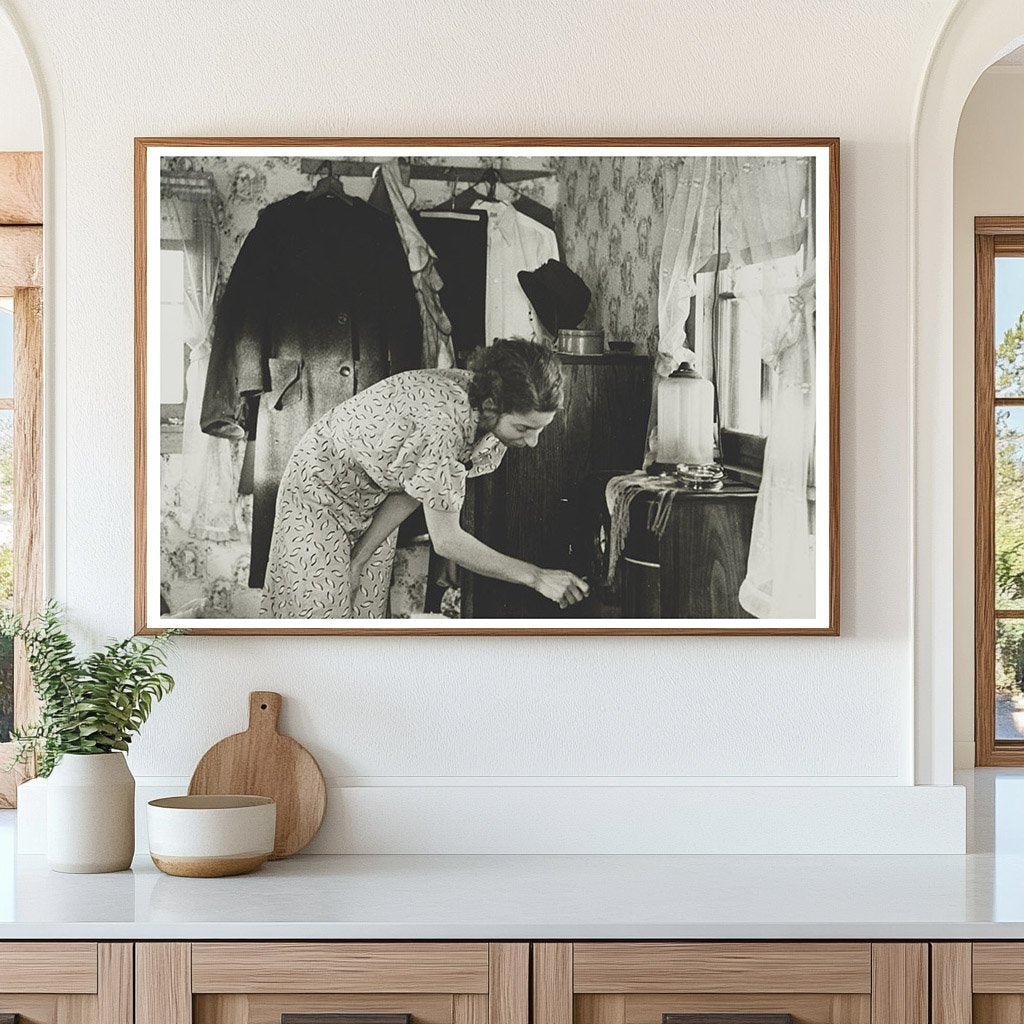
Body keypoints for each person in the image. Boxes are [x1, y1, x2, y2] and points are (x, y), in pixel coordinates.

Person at [260, 338, 589, 618]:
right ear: (492, 408)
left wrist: (359, 558)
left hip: (376, 493)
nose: (532, 442)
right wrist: (537, 577)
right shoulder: (444, 424)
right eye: (523, 428)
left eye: (540, 430)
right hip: (320, 486)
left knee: (364, 612)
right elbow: (446, 540)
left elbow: (413, 486)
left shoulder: (484, 412)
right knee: (319, 615)